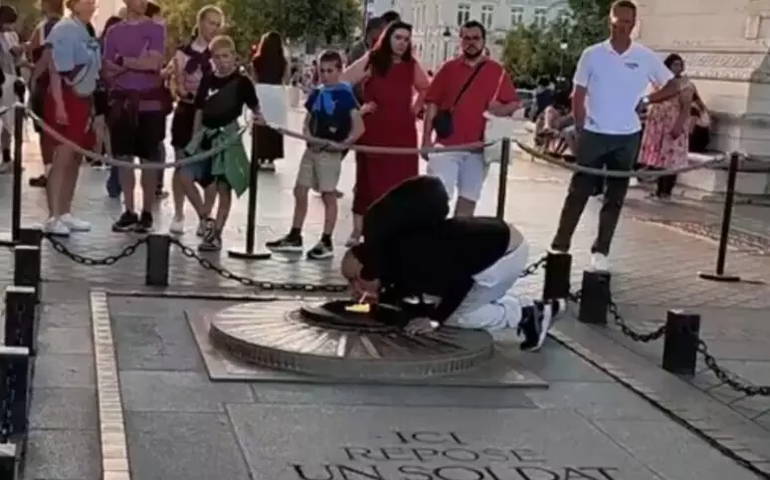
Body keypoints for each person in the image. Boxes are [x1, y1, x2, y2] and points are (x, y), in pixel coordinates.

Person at [340, 175, 564, 351]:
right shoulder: (394, 254)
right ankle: (534, 307)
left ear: (372, 271)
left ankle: (527, 315)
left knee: (458, 316)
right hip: (496, 242)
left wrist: (435, 321)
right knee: (450, 301)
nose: (354, 288)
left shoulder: (411, 258)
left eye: (355, 280)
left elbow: (460, 284)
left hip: (504, 255)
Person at [549, 0, 680, 272]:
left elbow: (673, 84)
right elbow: (579, 93)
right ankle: (560, 244)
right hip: (595, 132)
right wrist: (582, 127)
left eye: (627, 22)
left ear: (634, 23)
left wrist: (646, 99)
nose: (622, 27)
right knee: (579, 191)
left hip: (627, 135)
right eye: (617, 21)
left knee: (615, 196)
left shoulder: (644, 56)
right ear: (610, 20)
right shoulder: (592, 54)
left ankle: (601, 250)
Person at [266, 50, 363, 259]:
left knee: (328, 194)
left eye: (330, 71)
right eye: (322, 71)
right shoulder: (318, 93)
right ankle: (295, 235)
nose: (326, 75)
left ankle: (326, 240)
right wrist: (307, 134)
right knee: (300, 190)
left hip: (330, 152)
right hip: (312, 149)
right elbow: (308, 118)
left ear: (340, 70)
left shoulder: (345, 95)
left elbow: (358, 126)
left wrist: (342, 145)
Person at [341, 20, 429, 246]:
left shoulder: (411, 64)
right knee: (367, 182)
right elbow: (342, 82)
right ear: (388, 37)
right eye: (398, 37)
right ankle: (358, 230)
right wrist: (358, 109)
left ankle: (396, 231)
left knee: (401, 183)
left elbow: (426, 88)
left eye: (406, 39)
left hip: (402, 132)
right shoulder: (373, 59)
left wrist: (415, 108)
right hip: (373, 130)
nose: (402, 43)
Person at [423, 20, 518, 217]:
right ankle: (432, 241)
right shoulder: (448, 69)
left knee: (468, 200)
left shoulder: (497, 71)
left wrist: (500, 109)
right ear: (460, 41)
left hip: (478, 149)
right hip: (447, 145)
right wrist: (425, 140)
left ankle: (456, 243)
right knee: (438, 198)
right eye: (466, 38)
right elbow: (431, 104)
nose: (471, 42)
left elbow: (514, 103)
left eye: (475, 38)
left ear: (484, 41)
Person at [183, 35, 265, 251]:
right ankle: (205, 217)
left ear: (234, 57)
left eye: (225, 56)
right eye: (217, 57)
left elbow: (256, 108)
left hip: (228, 135)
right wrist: (195, 136)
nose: (221, 61)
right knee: (185, 175)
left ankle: (216, 233)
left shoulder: (242, 82)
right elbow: (199, 109)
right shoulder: (208, 79)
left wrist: (259, 120)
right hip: (205, 135)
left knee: (223, 187)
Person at [103, 0, 168, 233]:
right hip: (122, 102)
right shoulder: (113, 32)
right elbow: (107, 69)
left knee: (149, 160)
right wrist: (134, 63)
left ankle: (147, 211)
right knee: (124, 159)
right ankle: (128, 210)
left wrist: (124, 61)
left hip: (149, 103)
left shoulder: (156, 28)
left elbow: (155, 63)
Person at [40, 0, 101, 236]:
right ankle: (53, 215)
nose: (92, 4)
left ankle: (65, 211)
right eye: (87, 1)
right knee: (63, 157)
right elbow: (56, 70)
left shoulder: (84, 29)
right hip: (67, 97)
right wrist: (60, 106)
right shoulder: (64, 29)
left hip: (83, 97)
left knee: (75, 157)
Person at [168, 5, 223, 235]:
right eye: (210, 22)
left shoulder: (220, 53)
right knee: (181, 165)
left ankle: (204, 216)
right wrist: (184, 91)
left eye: (218, 24)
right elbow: (176, 84)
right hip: (186, 111)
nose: (213, 28)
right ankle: (179, 212)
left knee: (210, 170)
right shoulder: (182, 53)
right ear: (200, 23)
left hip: (210, 115)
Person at [638, 53, 694, 200]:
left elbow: (686, 108)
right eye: (675, 64)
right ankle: (658, 190)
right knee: (659, 159)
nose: (678, 67)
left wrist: (679, 125)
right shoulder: (659, 81)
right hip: (657, 124)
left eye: (680, 64)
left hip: (673, 123)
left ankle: (666, 192)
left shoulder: (685, 84)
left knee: (671, 159)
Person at [27, 0, 63, 188]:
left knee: (45, 131)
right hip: (65, 85)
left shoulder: (45, 27)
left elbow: (40, 55)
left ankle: (50, 172)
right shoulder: (70, 26)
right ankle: (60, 171)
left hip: (45, 84)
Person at [251, 31, 287, 172]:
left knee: (260, 126)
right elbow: (286, 78)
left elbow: (254, 78)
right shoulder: (282, 61)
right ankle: (271, 159)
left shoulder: (257, 60)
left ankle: (260, 156)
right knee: (274, 126)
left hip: (262, 92)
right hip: (277, 93)